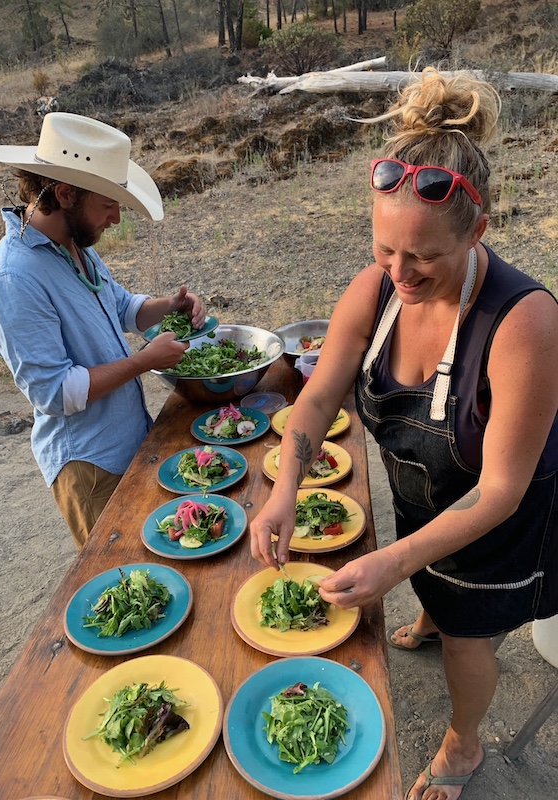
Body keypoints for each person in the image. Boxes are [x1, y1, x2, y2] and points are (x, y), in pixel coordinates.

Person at [250, 67, 558, 800]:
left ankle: (463, 746)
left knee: (467, 628)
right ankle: (428, 604)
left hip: (499, 506)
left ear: (479, 231)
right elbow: (320, 392)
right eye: (386, 250)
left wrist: (389, 562)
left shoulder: (526, 322)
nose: (400, 273)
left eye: (422, 257)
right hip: (428, 485)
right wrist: (284, 489)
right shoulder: (378, 286)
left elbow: (500, 493)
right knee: (424, 569)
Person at [0, 112, 206, 550]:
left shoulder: (70, 246)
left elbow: (118, 306)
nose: (116, 219)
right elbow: (55, 393)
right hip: (91, 466)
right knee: (128, 575)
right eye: (108, 204)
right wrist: (145, 361)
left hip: (129, 441)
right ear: (65, 194)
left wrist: (170, 306)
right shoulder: (15, 276)